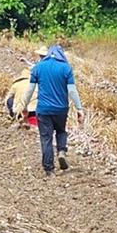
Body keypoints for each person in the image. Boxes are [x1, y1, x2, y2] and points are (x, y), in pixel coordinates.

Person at [21, 44, 85, 177]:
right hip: (61, 109)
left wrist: (25, 106)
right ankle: (61, 151)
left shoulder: (38, 67)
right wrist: (79, 109)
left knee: (46, 138)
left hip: (43, 109)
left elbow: (30, 90)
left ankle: (49, 169)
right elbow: (72, 91)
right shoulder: (66, 68)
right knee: (61, 131)